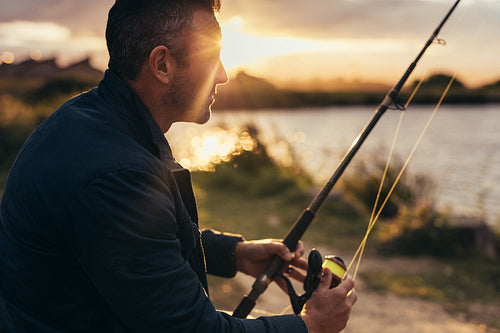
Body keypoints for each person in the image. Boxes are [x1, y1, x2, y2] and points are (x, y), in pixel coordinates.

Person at [0, 0, 357, 332]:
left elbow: (129, 242)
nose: (223, 75)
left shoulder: (92, 120)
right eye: (212, 58)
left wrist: (232, 254)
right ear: (162, 65)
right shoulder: (116, 173)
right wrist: (310, 325)